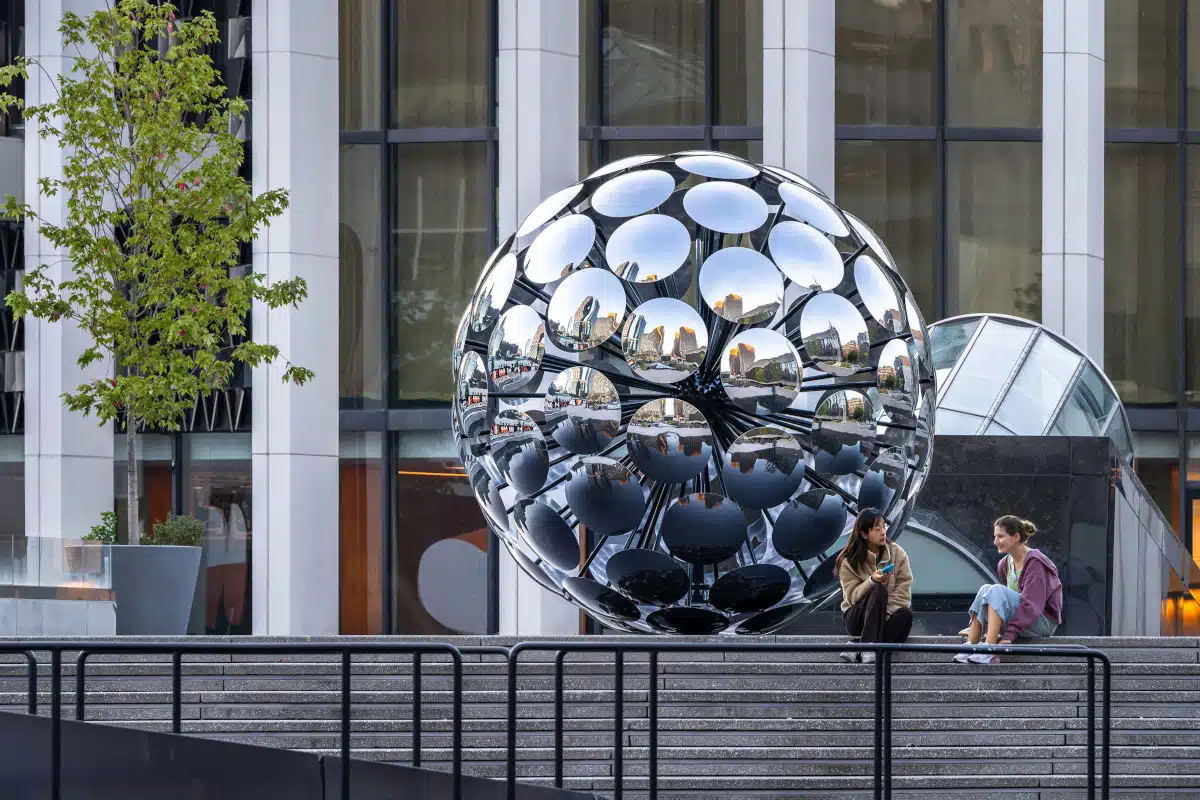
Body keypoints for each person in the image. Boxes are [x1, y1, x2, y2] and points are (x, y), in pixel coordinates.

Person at [954, 515, 1063, 665]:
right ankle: (971, 645)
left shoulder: (1035, 563)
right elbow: (1007, 602)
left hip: (1041, 621)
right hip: (1022, 619)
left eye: (1000, 536)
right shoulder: (1004, 564)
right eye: (995, 536)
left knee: (996, 590)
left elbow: (1032, 605)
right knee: (986, 588)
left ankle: (990, 650)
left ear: (1016, 537)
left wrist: (1010, 633)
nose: (995, 541)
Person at [837, 508, 913, 663]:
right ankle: (868, 648)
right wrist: (871, 581)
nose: (883, 532)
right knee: (878, 589)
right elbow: (851, 598)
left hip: (885, 616)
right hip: (856, 618)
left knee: (906, 615)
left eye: (884, 527)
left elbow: (904, 590)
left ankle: (859, 647)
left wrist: (884, 613)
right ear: (864, 534)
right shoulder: (848, 560)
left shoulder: (897, 553)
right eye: (877, 529)